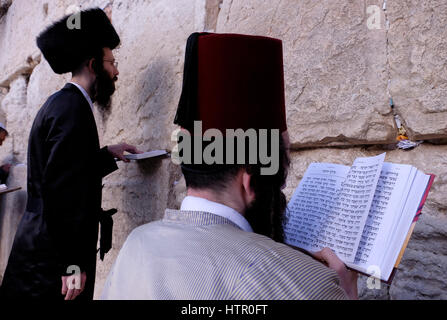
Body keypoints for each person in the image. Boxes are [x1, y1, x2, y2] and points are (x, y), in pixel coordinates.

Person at [101, 33, 358, 300]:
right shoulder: (312, 285)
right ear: (249, 181)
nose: (281, 188)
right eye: (279, 177)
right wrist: (345, 291)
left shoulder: (136, 244)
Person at [0, 8, 141, 300]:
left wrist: (107, 155)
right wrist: (72, 264)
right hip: (50, 262)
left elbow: (69, 171)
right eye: (111, 63)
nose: (116, 71)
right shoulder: (72, 109)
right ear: (93, 65)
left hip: (44, 250)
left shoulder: (64, 104)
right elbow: (62, 192)